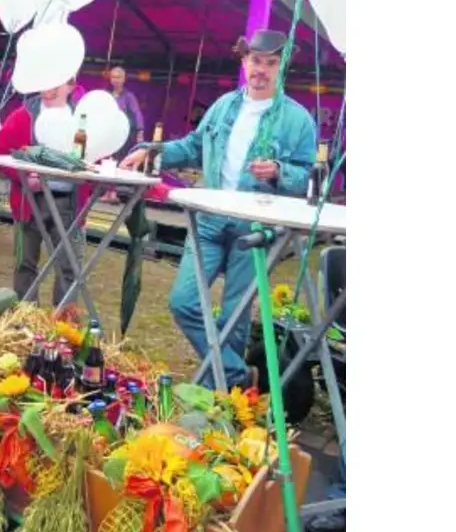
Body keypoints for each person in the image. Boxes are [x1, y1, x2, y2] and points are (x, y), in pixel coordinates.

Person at [119, 29, 317, 390]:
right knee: (183, 302)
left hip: (255, 227)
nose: (261, 69)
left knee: (234, 318)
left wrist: (279, 172)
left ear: (281, 67)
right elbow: (193, 146)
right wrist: (152, 152)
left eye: (271, 63)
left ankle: (222, 394)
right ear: (245, 62)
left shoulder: (298, 119)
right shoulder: (223, 106)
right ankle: (237, 375)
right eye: (255, 61)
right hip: (209, 222)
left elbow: (308, 177)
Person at [0, 79, 90, 306]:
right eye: (48, 81)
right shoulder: (23, 116)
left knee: (69, 266)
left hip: (69, 203)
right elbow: (0, 151)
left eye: (58, 82)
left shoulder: (83, 119)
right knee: (25, 263)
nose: (50, 88)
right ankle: (25, 318)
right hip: (29, 202)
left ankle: (63, 321)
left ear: (71, 85)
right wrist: (24, 177)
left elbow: (96, 159)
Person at [106, 65, 146, 148]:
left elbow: (137, 113)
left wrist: (140, 132)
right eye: (113, 77)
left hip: (124, 134)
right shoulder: (107, 95)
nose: (115, 80)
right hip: (109, 133)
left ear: (123, 79)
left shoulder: (129, 96)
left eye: (118, 77)